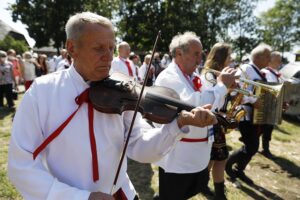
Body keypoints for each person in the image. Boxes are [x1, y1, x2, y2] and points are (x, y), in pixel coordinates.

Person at [8, 12, 220, 200]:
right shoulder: (42, 92)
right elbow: (21, 166)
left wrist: (176, 125)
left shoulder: (122, 92)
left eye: (111, 48)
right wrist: (79, 197)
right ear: (72, 48)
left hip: (121, 194)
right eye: (99, 48)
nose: (109, 57)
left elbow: (140, 147)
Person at [153, 32, 236, 200]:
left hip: (197, 154)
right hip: (179, 158)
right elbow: (195, 106)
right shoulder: (169, 77)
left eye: (201, 53)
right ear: (178, 54)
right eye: (196, 54)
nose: (200, 59)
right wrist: (221, 86)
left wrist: (224, 91)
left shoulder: (195, 76)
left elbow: (212, 106)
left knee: (188, 192)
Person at [225, 43, 272, 185]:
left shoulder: (260, 72)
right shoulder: (246, 69)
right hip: (245, 114)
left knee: (252, 146)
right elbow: (234, 91)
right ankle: (228, 166)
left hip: (256, 116)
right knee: (251, 146)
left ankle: (239, 170)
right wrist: (252, 101)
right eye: (268, 57)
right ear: (258, 57)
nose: (269, 60)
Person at [201, 42, 233, 200]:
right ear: (222, 57)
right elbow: (211, 103)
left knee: (219, 158)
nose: (232, 59)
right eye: (229, 56)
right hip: (210, 122)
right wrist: (224, 86)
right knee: (212, 159)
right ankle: (202, 185)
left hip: (218, 122)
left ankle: (218, 192)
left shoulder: (220, 75)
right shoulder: (209, 75)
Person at [260, 51, 283, 158]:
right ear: (271, 60)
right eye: (278, 59)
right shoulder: (266, 72)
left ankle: (265, 148)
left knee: (268, 127)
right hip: (266, 105)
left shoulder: (276, 73)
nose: (280, 62)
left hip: (273, 105)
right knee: (265, 126)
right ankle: (264, 148)